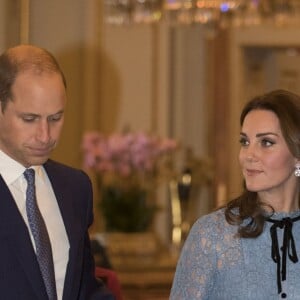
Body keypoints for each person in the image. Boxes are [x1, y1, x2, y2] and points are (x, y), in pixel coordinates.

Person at [0, 44, 114, 300]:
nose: (45, 135)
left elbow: (85, 289)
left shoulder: (75, 188)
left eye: (55, 118)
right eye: (29, 119)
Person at [170, 89, 300, 299]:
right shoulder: (211, 234)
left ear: (297, 155)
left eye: (266, 142)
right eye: (244, 142)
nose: (249, 155)